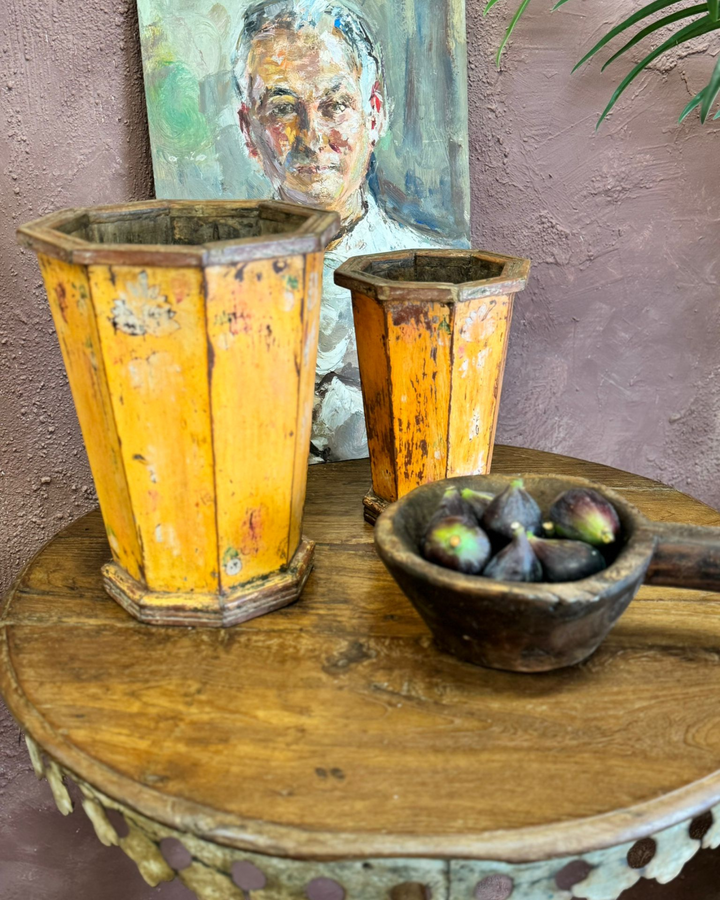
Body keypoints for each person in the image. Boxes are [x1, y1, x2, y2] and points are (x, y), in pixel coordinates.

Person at [233, 0, 453, 461]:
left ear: (373, 114)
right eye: (284, 109)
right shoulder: (219, 288)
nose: (312, 136)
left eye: (334, 105)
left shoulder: (434, 273)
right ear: (248, 131)